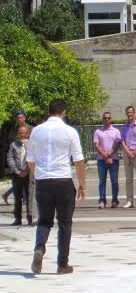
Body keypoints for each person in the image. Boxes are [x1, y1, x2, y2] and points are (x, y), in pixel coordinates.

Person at [26, 99, 86, 275]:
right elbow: (79, 161)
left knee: (44, 220)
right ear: (64, 112)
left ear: (48, 111)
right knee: (65, 223)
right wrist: (82, 184)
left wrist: (39, 176)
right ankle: (62, 264)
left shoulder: (36, 131)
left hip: (43, 181)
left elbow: (30, 161)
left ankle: (39, 248)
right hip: (63, 180)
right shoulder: (70, 131)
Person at [2, 110, 33, 204]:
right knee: (18, 185)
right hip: (17, 162)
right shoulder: (14, 130)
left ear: (25, 118)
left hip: (29, 161)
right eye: (18, 118)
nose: (20, 119)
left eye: (21, 117)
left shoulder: (31, 128)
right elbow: (11, 142)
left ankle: (26, 202)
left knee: (28, 185)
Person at [93, 112, 122, 209]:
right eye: (105, 118)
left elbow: (118, 143)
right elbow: (96, 145)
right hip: (101, 160)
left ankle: (114, 201)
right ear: (102, 119)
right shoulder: (98, 131)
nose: (106, 120)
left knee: (114, 182)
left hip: (114, 159)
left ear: (111, 119)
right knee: (102, 181)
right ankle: (102, 201)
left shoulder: (116, 131)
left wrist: (110, 153)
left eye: (108, 118)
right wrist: (105, 155)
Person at [7, 126, 32, 226]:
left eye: (24, 133)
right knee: (17, 197)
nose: (22, 135)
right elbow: (10, 159)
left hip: (28, 174)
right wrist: (17, 171)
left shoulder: (31, 145)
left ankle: (30, 218)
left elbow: (33, 158)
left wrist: (27, 171)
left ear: (28, 133)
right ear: (18, 134)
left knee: (30, 197)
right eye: (20, 133)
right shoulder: (13, 145)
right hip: (17, 175)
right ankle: (18, 219)